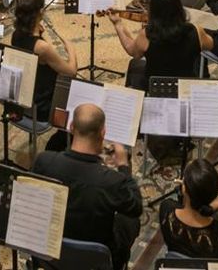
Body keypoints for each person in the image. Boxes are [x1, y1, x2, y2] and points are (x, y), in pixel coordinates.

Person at [33, 104, 142, 270]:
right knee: (129, 220)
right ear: (103, 133)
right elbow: (136, 207)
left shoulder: (44, 161)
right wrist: (124, 166)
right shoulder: (113, 182)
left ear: (71, 127)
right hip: (95, 261)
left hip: (50, 252)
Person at [110, 0, 211, 91]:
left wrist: (118, 24)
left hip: (156, 87)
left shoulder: (146, 35)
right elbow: (210, 44)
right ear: (179, 8)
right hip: (185, 88)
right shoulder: (196, 31)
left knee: (135, 64)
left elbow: (132, 50)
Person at [10, 0, 77, 150]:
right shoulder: (42, 47)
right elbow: (71, 71)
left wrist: (41, 34)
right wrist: (71, 49)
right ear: (40, 13)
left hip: (25, 98)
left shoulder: (16, 35)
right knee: (80, 98)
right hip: (42, 106)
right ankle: (62, 142)